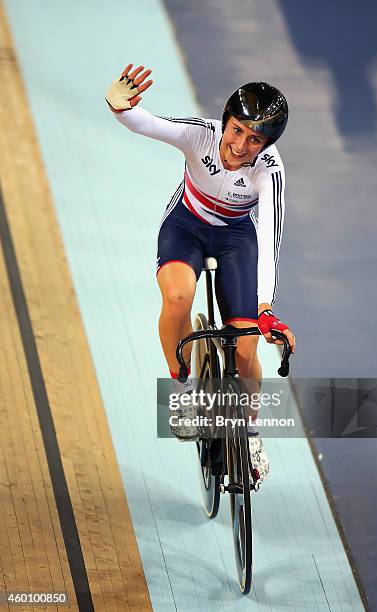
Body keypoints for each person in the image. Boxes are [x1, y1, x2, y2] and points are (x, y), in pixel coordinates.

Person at [106, 64, 296, 482]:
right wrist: (120, 109)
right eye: (237, 130)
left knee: (246, 348)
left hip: (236, 239)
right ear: (224, 122)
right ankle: (182, 390)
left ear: (266, 145)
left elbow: (271, 239)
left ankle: (249, 430)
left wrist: (265, 306)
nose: (241, 145)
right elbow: (151, 124)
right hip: (186, 227)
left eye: (255, 139)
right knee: (177, 297)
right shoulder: (201, 133)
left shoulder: (270, 171)